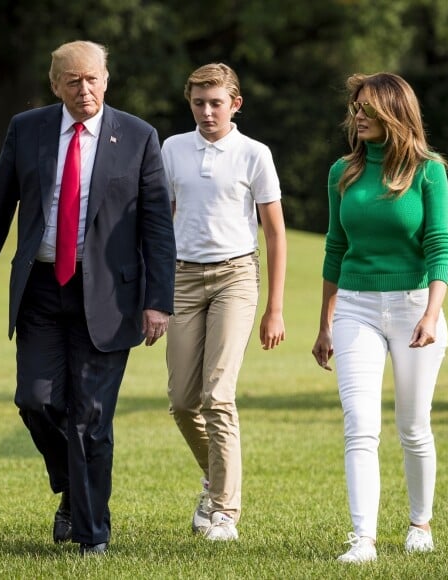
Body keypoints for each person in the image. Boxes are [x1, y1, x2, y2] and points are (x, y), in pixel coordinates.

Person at [0, 40, 176, 556]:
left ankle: (91, 535)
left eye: (94, 79)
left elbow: (156, 225)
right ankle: (73, 485)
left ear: (107, 79)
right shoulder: (27, 128)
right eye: (73, 81)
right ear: (55, 84)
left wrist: (158, 300)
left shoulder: (140, 136)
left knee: (91, 417)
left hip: (108, 294)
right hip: (39, 287)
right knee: (34, 400)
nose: (86, 90)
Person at [312, 72, 448, 563]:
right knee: (360, 424)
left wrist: (433, 315)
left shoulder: (428, 171)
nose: (357, 115)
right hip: (356, 308)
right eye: (355, 107)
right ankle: (363, 539)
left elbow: (440, 246)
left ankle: (420, 524)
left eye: (366, 108)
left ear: (394, 111)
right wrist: (325, 322)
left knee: (413, 426)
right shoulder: (342, 172)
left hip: (416, 307)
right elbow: (335, 247)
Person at [161, 63, 286, 541]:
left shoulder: (255, 154)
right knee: (181, 401)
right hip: (182, 280)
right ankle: (215, 479)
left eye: (216, 102)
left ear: (235, 104)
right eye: (198, 103)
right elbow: (164, 218)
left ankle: (224, 513)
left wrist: (274, 308)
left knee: (217, 395)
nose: (207, 111)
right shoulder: (173, 149)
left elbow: (274, 232)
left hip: (236, 276)